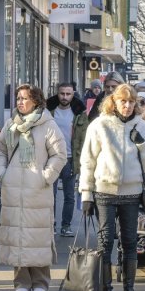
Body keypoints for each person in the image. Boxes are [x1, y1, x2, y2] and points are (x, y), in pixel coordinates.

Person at [80, 83, 145, 291]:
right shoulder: (100, 125)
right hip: (104, 190)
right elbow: (88, 161)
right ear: (113, 102)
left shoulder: (142, 127)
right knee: (105, 242)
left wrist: (142, 145)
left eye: (131, 101)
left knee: (130, 242)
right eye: (123, 101)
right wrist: (86, 193)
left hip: (131, 192)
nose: (127, 105)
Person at [0, 85, 67, 291]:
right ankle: (21, 282)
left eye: (25, 98)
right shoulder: (11, 125)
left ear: (36, 101)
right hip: (13, 188)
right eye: (18, 98)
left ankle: (41, 282)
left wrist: (46, 176)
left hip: (38, 189)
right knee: (18, 235)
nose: (20, 102)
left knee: (38, 236)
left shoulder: (48, 125)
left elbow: (59, 154)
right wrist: (2, 173)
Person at [46, 82, 89, 237]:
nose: (65, 97)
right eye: (62, 93)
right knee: (50, 195)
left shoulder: (79, 112)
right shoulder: (48, 111)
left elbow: (84, 137)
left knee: (69, 195)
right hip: (51, 158)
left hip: (70, 159)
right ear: (57, 93)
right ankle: (50, 224)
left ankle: (66, 225)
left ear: (73, 94)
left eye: (68, 94)